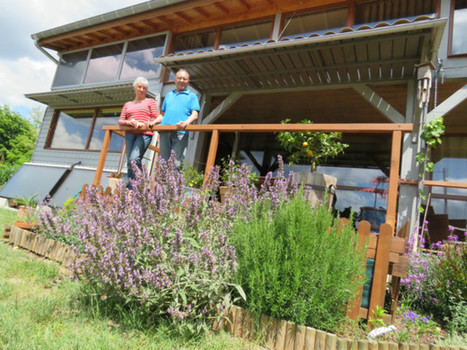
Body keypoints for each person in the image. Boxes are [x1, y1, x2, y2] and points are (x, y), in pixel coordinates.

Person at [149, 69, 200, 166]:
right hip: (164, 131)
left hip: (180, 132)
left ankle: (175, 181)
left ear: (188, 82)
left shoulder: (192, 96)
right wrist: (154, 121)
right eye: (179, 78)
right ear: (175, 80)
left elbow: (195, 114)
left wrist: (185, 123)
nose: (181, 80)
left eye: (184, 79)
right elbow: (162, 115)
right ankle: (163, 182)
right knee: (163, 163)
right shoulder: (169, 95)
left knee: (176, 164)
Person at [118, 76, 158, 186]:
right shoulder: (128, 104)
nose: (141, 90)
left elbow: (155, 118)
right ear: (135, 88)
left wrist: (144, 124)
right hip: (130, 134)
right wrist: (129, 122)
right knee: (129, 161)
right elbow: (121, 120)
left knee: (134, 159)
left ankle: (134, 188)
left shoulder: (151, 101)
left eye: (144, 88)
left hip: (144, 134)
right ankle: (136, 185)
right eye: (139, 87)